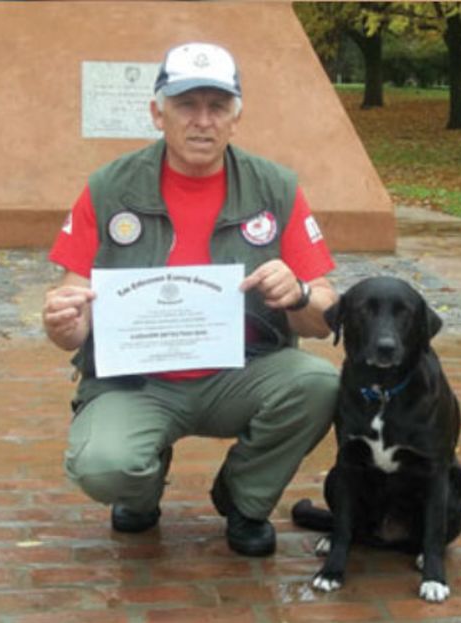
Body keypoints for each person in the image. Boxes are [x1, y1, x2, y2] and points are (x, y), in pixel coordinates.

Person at [44, 42, 340, 557]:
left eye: (217, 106)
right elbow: (73, 303)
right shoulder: (108, 188)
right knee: (103, 465)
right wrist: (64, 322)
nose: (202, 120)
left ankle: (244, 499)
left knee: (318, 383)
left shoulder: (277, 188)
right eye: (186, 104)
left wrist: (299, 294)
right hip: (138, 382)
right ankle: (142, 488)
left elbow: (324, 316)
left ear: (235, 117)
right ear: (158, 113)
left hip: (242, 372)